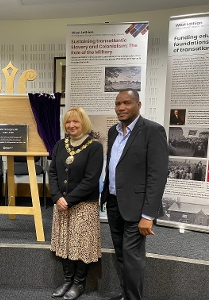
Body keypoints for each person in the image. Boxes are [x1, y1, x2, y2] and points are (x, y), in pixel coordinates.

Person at [101, 88, 168, 300]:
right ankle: (126, 294)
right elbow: (115, 167)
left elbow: (157, 176)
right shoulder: (113, 131)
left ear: (138, 105)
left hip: (137, 208)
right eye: (118, 103)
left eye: (127, 103)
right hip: (114, 203)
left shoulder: (153, 131)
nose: (121, 107)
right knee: (121, 254)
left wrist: (148, 215)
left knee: (132, 258)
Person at [49, 107, 103, 300]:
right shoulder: (59, 145)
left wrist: (68, 200)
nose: (71, 125)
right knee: (65, 244)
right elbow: (53, 172)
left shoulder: (94, 147)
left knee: (81, 246)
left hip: (83, 205)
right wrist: (56, 197)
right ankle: (67, 280)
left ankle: (79, 284)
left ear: (84, 123)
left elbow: (91, 180)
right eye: (68, 122)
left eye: (76, 122)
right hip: (61, 204)